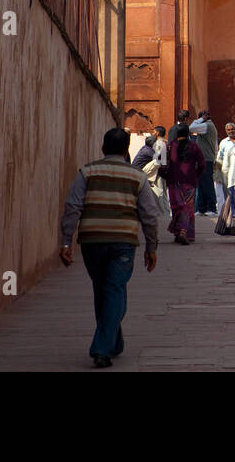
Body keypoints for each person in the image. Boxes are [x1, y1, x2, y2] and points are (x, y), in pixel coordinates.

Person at [59, 127, 159, 367]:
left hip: (92, 241)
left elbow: (73, 207)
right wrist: (151, 247)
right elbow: (149, 215)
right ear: (126, 150)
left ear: (103, 148)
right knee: (114, 290)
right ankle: (102, 348)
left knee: (103, 289)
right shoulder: (137, 176)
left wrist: (66, 240)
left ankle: (113, 342)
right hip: (123, 242)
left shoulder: (88, 172)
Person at [165, 125, 206, 245]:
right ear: (188, 133)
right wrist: (195, 175)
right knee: (187, 207)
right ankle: (185, 232)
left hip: (173, 181)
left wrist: (166, 175)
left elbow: (162, 163)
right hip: (189, 181)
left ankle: (178, 232)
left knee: (176, 207)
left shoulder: (170, 146)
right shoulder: (194, 146)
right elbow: (202, 164)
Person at [190, 110, 218, 216]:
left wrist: (201, 119)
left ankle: (212, 208)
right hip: (205, 159)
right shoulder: (209, 127)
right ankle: (201, 208)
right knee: (201, 184)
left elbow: (191, 128)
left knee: (207, 183)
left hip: (206, 159)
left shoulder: (207, 126)